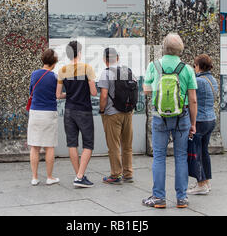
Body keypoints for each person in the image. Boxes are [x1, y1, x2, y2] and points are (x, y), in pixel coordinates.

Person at [142, 33, 198, 209]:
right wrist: (193, 123)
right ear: (180, 49)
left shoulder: (154, 65)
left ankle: (159, 197)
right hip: (182, 117)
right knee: (181, 156)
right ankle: (181, 198)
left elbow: (146, 90)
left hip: (160, 117)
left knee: (159, 156)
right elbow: (193, 99)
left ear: (164, 47)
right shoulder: (187, 69)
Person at [56, 41, 97, 188]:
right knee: (88, 144)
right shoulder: (87, 68)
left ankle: (79, 175)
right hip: (84, 110)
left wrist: (71, 94)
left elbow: (58, 95)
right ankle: (80, 176)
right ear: (79, 53)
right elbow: (93, 92)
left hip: (69, 111)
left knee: (72, 143)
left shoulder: (62, 70)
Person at [98, 48, 134, 184]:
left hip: (112, 114)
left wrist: (102, 110)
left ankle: (115, 175)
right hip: (128, 112)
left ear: (104, 59)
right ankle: (128, 173)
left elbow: (103, 95)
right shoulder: (127, 71)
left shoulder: (106, 73)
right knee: (127, 145)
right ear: (117, 57)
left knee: (113, 145)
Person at [28, 49, 60, 186]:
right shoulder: (55, 77)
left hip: (35, 111)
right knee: (49, 146)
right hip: (49, 113)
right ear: (54, 62)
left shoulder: (34, 74)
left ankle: (34, 177)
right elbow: (57, 95)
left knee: (35, 146)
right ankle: (49, 177)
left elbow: (31, 92)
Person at [187, 54, 218, 195]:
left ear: (198, 66)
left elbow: (191, 100)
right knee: (204, 151)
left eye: (194, 65)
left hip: (200, 120)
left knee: (196, 153)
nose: (194, 68)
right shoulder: (212, 79)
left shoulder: (198, 81)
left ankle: (201, 184)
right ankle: (206, 181)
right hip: (211, 119)